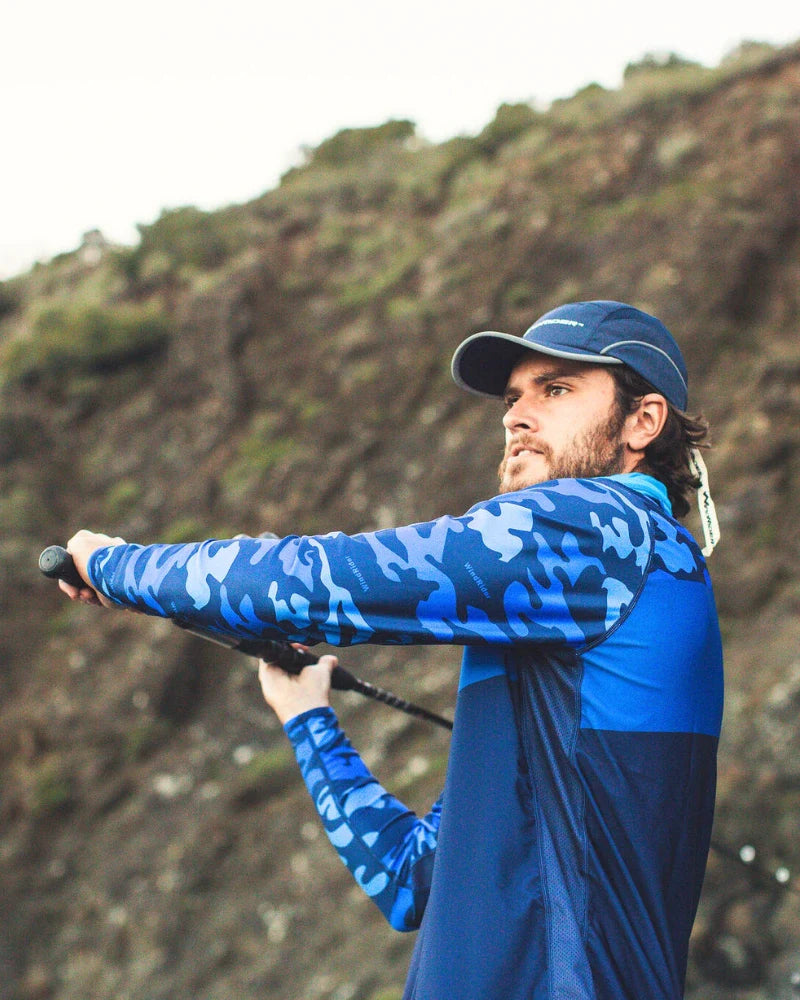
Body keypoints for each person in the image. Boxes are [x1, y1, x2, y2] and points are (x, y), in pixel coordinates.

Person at [61, 300, 724, 1000]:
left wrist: (114, 566)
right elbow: (416, 878)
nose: (516, 417)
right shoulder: (598, 590)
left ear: (642, 421)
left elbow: (308, 583)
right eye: (512, 398)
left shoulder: (600, 530)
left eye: (555, 390)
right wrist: (309, 721)